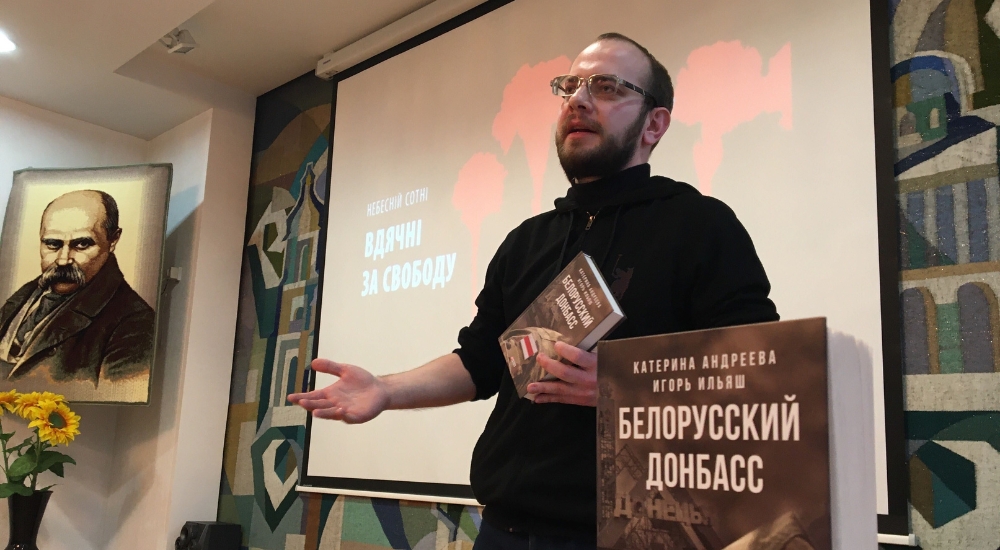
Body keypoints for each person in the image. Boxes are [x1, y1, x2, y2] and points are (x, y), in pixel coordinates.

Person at [289, 33, 779, 549]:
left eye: (607, 87)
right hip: (501, 529)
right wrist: (386, 390)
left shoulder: (700, 226)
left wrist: (626, 389)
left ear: (654, 124)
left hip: (625, 534)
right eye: (569, 86)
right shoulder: (526, 241)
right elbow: (480, 362)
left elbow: (758, 372)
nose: (579, 100)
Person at [0, 190, 155, 389]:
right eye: (52, 244)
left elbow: (118, 394)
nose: (63, 260)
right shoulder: (25, 295)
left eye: (82, 244)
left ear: (113, 240)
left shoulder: (134, 324)